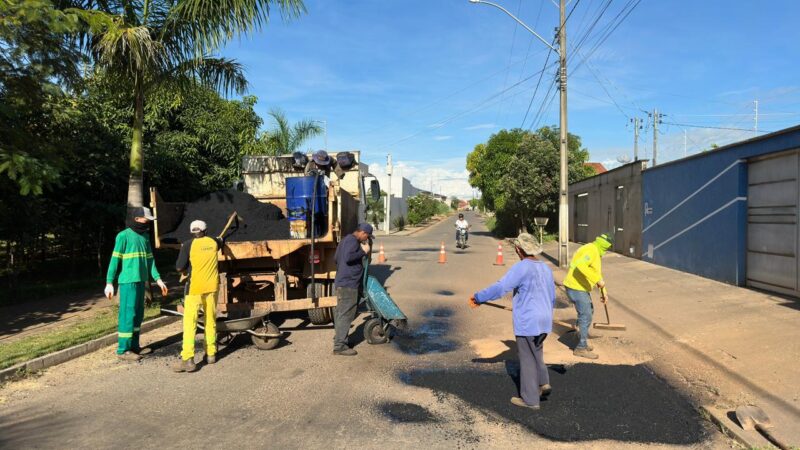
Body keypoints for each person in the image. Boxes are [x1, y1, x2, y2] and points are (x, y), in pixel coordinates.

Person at [469, 233, 555, 410]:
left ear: (518, 249)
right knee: (536, 351)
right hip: (545, 319)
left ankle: (530, 400)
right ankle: (543, 383)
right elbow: (552, 297)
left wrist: (479, 297)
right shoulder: (546, 268)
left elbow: (501, 287)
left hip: (528, 321)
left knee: (527, 358)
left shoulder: (521, 268)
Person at [105, 207, 168, 361]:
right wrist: (109, 282)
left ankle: (134, 346)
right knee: (127, 315)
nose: (148, 222)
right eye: (146, 219)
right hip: (128, 282)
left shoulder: (145, 237)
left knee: (138, 315)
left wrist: (158, 280)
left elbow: (150, 261)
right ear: (137, 219)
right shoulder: (123, 236)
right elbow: (114, 260)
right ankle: (123, 350)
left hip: (141, 282)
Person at [172, 220, 223, 373]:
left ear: (192, 232)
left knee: (190, 323)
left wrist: (187, 266)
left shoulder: (188, 245)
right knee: (210, 319)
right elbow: (220, 241)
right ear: (205, 231)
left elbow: (179, 267)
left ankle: (188, 359)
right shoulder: (214, 242)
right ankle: (211, 354)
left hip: (194, 288)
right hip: (212, 287)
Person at [563, 233, 613, 360]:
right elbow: (581, 265)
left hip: (580, 287)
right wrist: (597, 280)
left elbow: (596, 273)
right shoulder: (591, 250)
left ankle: (581, 338)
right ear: (605, 246)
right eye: (608, 248)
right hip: (575, 287)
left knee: (589, 312)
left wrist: (604, 292)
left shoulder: (595, 249)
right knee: (585, 315)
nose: (606, 251)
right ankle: (581, 347)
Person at [332, 223, 373, 356]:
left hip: (342, 281)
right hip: (348, 284)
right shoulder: (353, 241)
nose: (366, 239)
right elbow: (348, 257)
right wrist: (363, 251)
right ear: (363, 233)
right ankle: (340, 346)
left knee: (341, 313)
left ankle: (340, 338)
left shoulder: (345, 240)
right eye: (367, 236)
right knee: (345, 315)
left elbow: (336, 259)